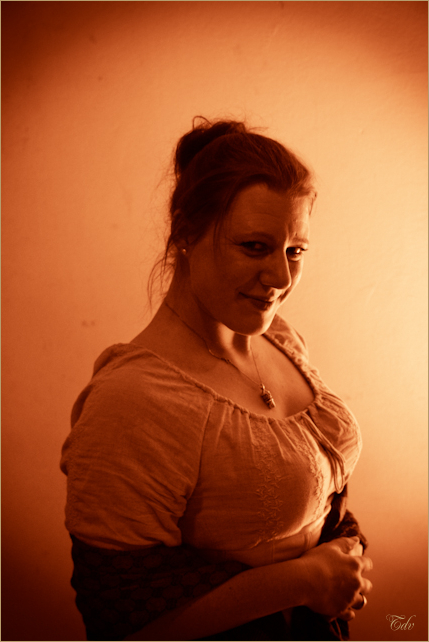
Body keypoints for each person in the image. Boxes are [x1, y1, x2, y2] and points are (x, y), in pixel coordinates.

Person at [60, 118, 373, 641]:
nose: (281, 278)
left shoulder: (281, 340)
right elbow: (119, 621)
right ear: (186, 232)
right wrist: (303, 582)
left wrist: (341, 556)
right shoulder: (134, 401)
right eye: (254, 247)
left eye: (295, 251)